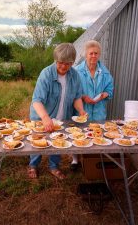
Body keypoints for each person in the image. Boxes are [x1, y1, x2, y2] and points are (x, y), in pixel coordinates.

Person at [28, 43, 87, 180]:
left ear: (72, 62)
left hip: (61, 117)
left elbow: (77, 97)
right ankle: (33, 165)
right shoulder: (46, 74)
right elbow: (37, 100)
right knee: (38, 140)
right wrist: (45, 117)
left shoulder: (75, 76)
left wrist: (81, 110)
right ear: (55, 60)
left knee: (58, 141)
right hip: (41, 115)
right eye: (60, 63)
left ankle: (53, 166)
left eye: (68, 63)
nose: (63, 66)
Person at [70, 40, 114, 170]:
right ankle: (75, 159)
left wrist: (103, 95)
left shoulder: (105, 73)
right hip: (81, 109)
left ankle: (92, 159)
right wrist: (83, 97)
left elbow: (110, 90)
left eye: (96, 53)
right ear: (85, 54)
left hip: (98, 109)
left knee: (96, 133)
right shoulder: (76, 71)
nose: (93, 56)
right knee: (79, 133)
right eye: (91, 53)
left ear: (99, 55)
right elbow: (72, 92)